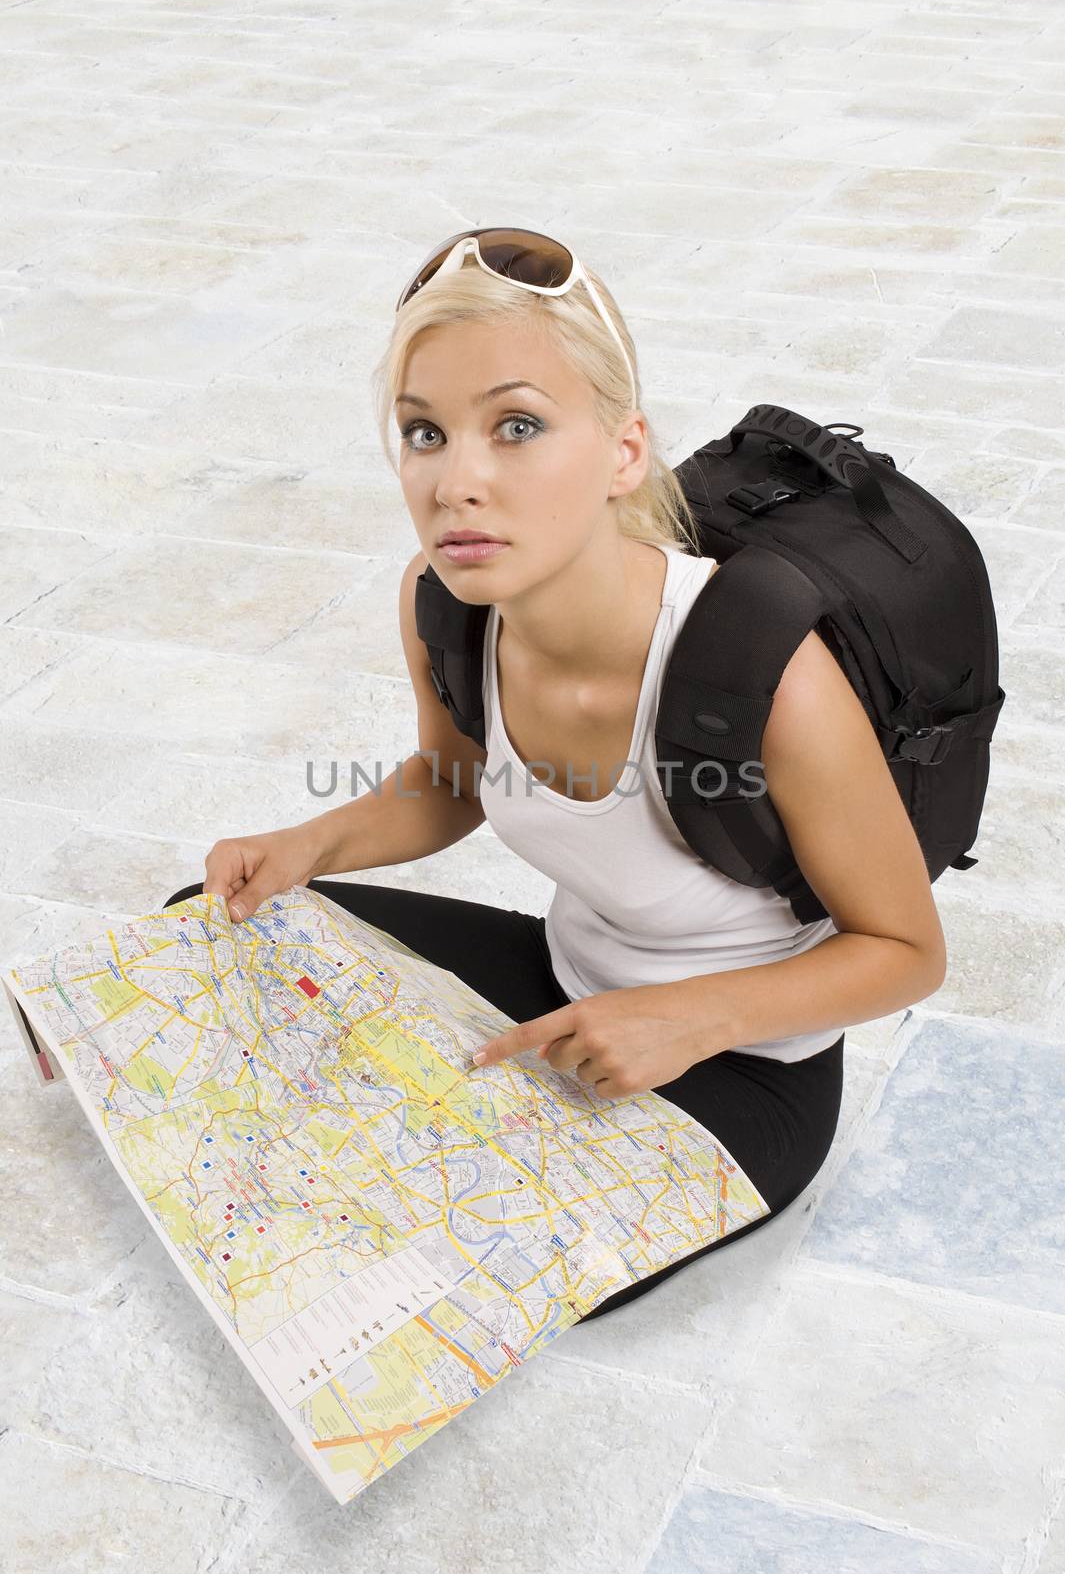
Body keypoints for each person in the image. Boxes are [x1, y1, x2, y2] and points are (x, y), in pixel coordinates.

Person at [161, 228, 947, 1322]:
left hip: (746, 1063)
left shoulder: (763, 666)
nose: (456, 481)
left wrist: (685, 1019)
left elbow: (907, 953)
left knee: (492, 1259)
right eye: (423, 432)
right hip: (562, 987)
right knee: (201, 931)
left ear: (624, 452)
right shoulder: (445, 605)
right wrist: (309, 847)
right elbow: (449, 781)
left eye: (517, 425)